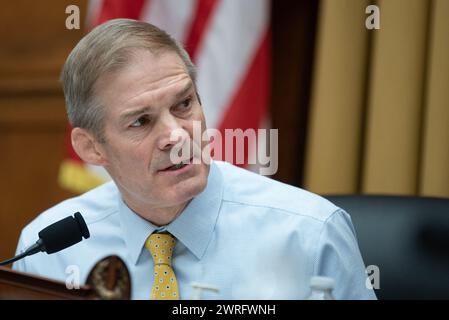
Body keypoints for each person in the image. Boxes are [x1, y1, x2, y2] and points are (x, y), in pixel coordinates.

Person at [13, 19, 376, 300]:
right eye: (141, 121)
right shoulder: (49, 250)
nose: (177, 134)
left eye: (184, 104)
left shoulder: (309, 233)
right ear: (91, 147)